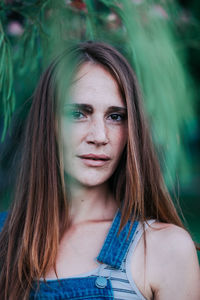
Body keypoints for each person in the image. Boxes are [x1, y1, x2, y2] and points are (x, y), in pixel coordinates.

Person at [0, 41, 199, 300]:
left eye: (115, 116)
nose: (99, 136)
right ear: (48, 123)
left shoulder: (165, 249)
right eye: (79, 113)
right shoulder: (6, 237)